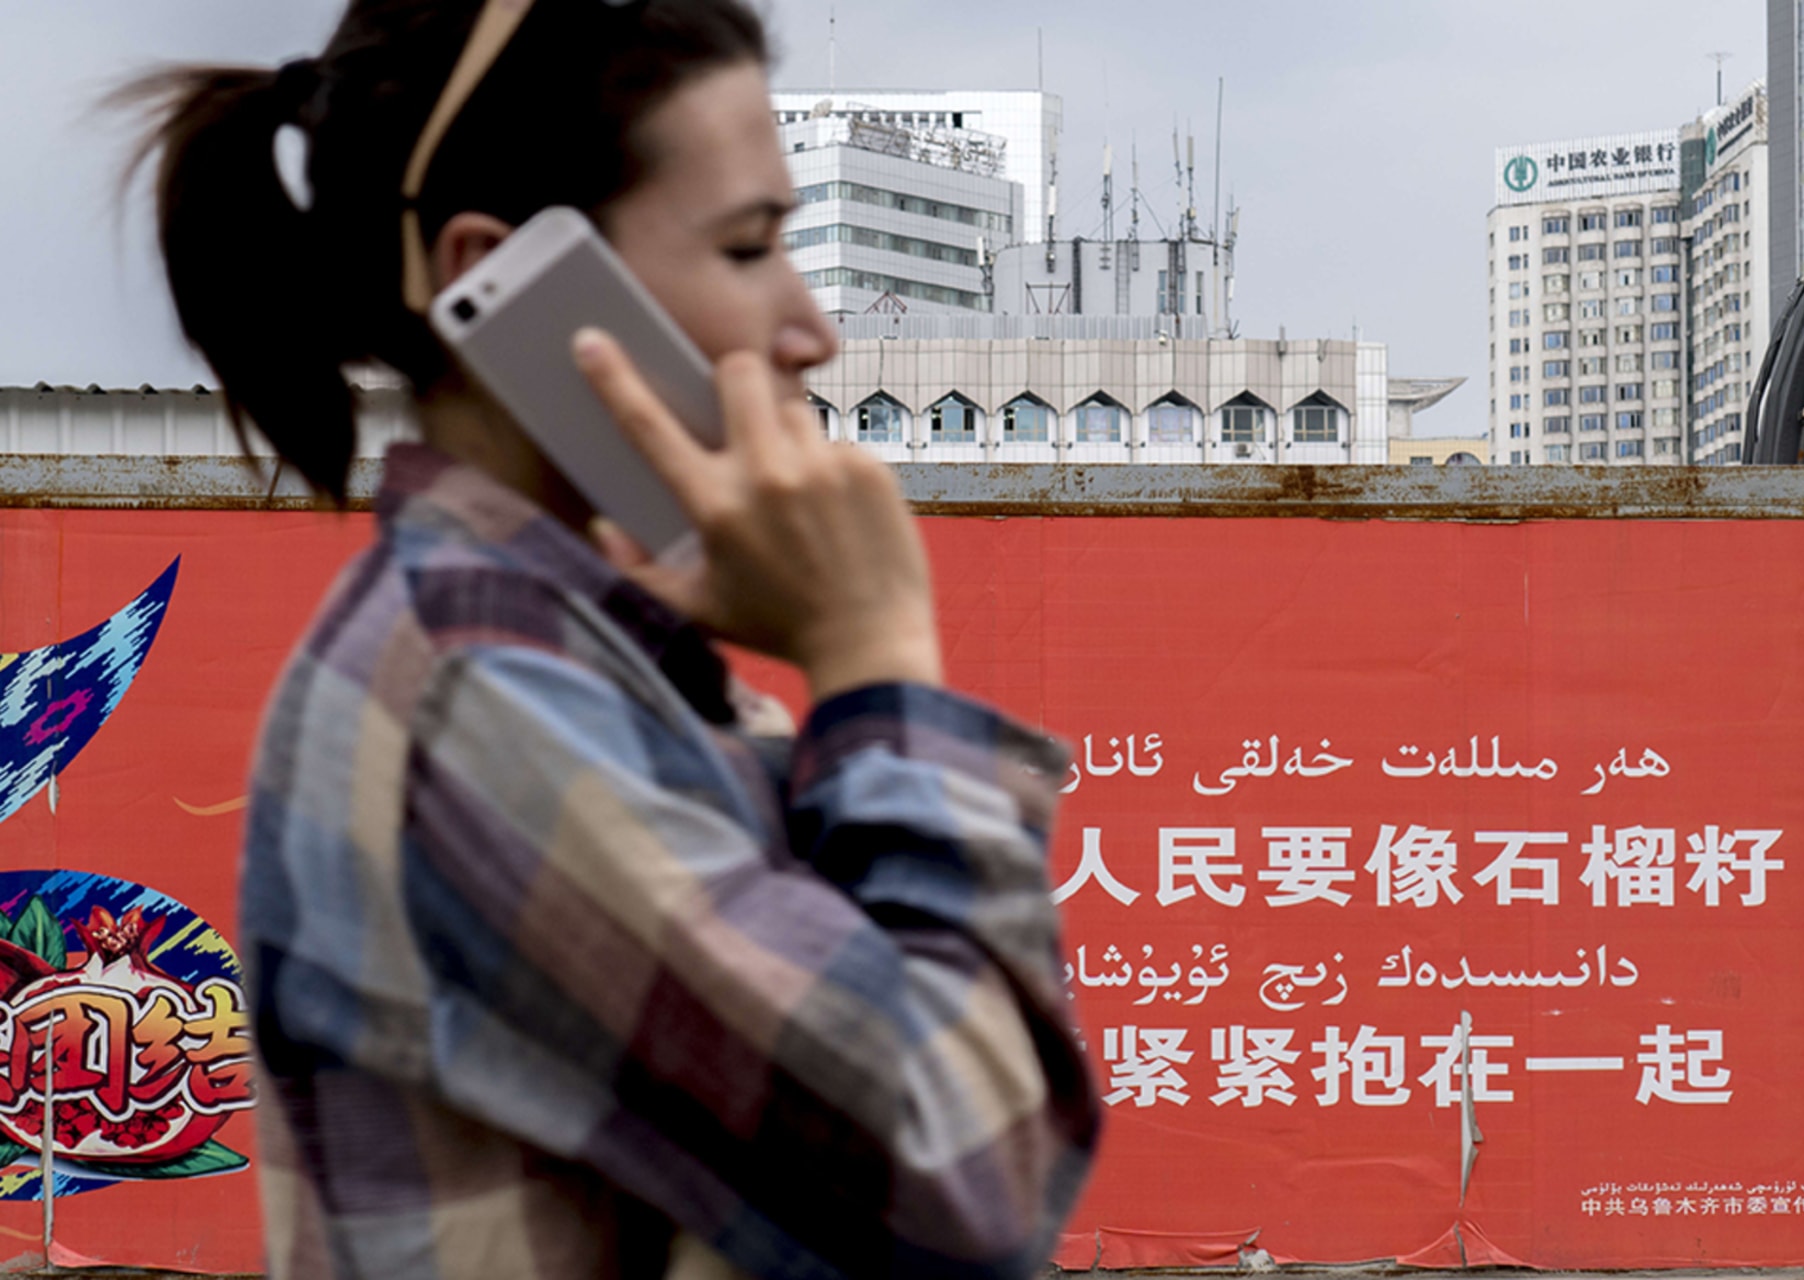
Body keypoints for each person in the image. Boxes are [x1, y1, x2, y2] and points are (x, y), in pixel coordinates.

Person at [119, 1, 1098, 1276]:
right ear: (499, 276)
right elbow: (963, 1184)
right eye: (750, 248)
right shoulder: (484, 688)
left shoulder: (581, 654)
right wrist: (877, 654)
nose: (812, 329)